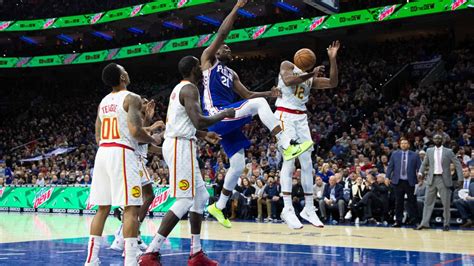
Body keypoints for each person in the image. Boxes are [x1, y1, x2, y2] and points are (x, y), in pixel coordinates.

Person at [201, 0, 313, 229]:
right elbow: (222, 33)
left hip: (228, 117)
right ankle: (286, 143)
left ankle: (218, 206)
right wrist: (236, 8)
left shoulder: (231, 73)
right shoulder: (208, 61)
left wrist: (269, 93)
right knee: (259, 104)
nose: (227, 48)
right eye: (225, 47)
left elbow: (249, 94)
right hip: (217, 114)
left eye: (229, 48)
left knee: (238, 164)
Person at [138, 56, 235, 266]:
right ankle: (150, 253)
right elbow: (198, 119)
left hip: (181, 142)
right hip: (180, 146)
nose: (202, 69)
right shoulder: (190, 89)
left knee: (200, 197)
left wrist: (201, 135)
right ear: (193, 69)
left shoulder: (179, 88)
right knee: (185, 200)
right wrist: (224, 114)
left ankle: (196, 253)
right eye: (199, 66)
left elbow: (183, 123)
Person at [85, 63, 161, 266]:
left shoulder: (103, 102)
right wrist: (153, 139)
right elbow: (136, 132)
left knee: (102, 209)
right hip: (122, 153)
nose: (127, 72)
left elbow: (98, 135)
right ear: (122, 78)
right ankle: (130, 261)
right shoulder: (132, 98)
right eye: (124, 70)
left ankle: (91, 261)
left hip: (103, 152)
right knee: (131, 208)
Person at [277, 42, 339, 229]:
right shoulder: (287, 65)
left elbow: (333, 83)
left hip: (301, 119)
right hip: (284, 114)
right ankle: (287, 208)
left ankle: (309, 209)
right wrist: (311, 73)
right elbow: (288, 81)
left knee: (307, 163)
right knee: (289, 160)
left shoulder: (310, 79)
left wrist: (332, 60)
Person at [110, 98, 166, 252]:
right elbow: (139, 140)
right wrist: (153, 126)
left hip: (137, 160)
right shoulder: (132, 116)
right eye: (143, 100)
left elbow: (147, 146)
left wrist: (167, 151)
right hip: (133, 159)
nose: (147, 102)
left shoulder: (141, 119)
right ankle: (126, 234)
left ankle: (134, 234)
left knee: (141, 199)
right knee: (145, 198)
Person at [415, 134, 463, 231]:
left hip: (443, 179)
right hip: (431, 179)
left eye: (439, 138)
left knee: (446, 203)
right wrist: (420, 172)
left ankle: (446, 224)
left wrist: (460, 178)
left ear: (443, 140)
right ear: (433, 140)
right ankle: (424, 223)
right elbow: (424, 163)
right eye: (436, 138)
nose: (437, 139)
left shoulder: (448, 151)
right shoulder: (429, 151)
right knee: (428, 202)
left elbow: (457, 164)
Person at [386, 138, 422, 227]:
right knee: (398, 202)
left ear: (408, 145)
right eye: (402, 143)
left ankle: (415, 221)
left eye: (405, 143)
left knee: (412, 202)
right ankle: (398, 221)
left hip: (410, 181)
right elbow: (390, 167)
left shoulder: (415, 155)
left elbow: (420, 168)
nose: (403, 145)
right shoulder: (395, 154)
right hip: (397, 182)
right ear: (400, 145)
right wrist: (387, 177)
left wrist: (421, 178)